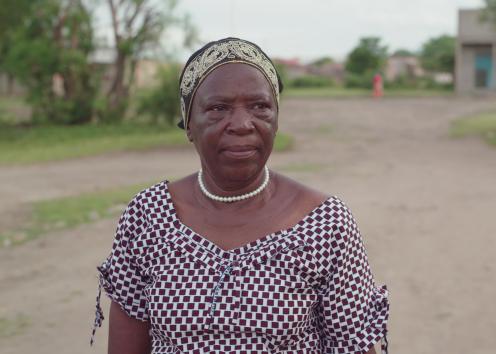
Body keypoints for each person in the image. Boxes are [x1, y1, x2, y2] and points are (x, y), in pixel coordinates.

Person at [91, 37, 389, 354]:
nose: (242, 124)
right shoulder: (148, 216)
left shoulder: (325, 223)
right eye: (218, 108)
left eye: (260, 106)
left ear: (276, 119)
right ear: (189, 123)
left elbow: (354, 347)